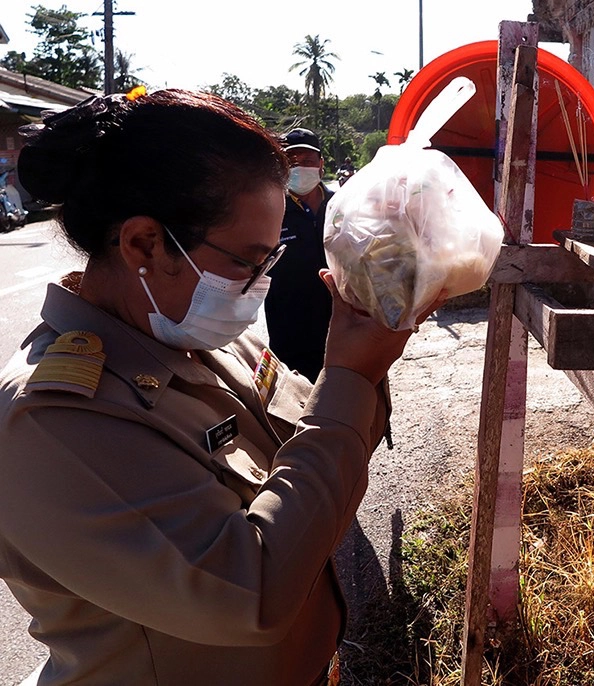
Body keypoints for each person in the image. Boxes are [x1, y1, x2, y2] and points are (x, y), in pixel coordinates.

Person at [0, 90, 436, 685]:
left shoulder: (207, 342)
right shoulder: (53, 420)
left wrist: (368, 350)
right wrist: (351, 377)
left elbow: (322, 450)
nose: (259, 283)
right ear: (144, 244)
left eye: (270, 258)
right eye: (247, 259)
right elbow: (251, 595)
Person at [264, 127, 334, 382]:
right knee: (301, 405)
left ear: (321, 164)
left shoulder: (342, 205)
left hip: (343, 326)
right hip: (291, 333)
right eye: (292, 162)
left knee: (358, 397)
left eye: (308, 161)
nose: (300, 168)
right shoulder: (268, 211)